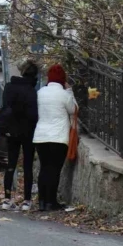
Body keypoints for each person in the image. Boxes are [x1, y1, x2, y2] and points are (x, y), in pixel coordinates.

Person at [33, 64, 77, 212]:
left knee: (44, 168)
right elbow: (74, 109)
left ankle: (42, 201)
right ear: (63, 80)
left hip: (41, 136)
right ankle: (51, 202)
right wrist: (70, 90)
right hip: (58, 137)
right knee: (54, 170)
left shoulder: (40, 92)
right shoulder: (64, 94)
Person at [0, 61, 39, 212]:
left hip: (12, 131)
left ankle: (7, 199)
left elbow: (5, 107)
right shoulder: (31, 90)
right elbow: (34, 114)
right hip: (28, 132)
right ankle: (26, 201)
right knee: (27, 166)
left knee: (11, 164)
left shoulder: (9, 87)